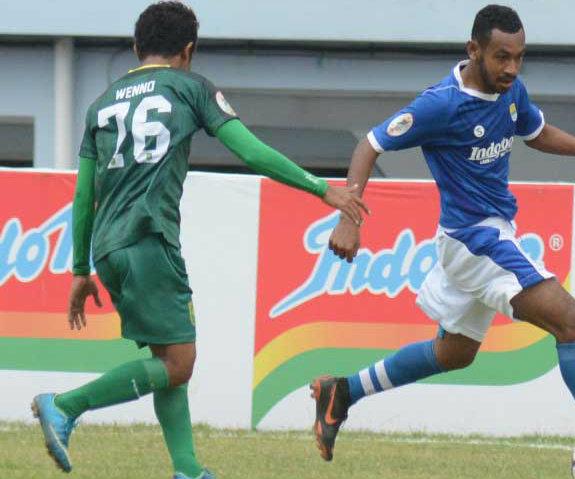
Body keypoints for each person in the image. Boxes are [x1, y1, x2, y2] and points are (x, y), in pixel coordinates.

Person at [312, 4, 575, 473]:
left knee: (454, 353)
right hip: (475, 239)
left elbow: (536, 131)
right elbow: (371, 144)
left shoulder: (510, 90)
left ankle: (342, 390)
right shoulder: (440, 104)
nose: (511, 68)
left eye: (519, 57)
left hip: (474, 238)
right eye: (502, 57)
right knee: (572, 322)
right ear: (474, 50)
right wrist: (350, 216)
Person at [30, 2, 368, 478]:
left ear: (135, 48)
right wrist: (321, 188)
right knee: (179, 363)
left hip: (108, 248)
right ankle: (65, 405)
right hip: (150, 240)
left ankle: (188, 469)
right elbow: (248, 149)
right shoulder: (190, 89)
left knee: (170, 355)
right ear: (188, 51)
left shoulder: (101, 103)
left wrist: (80, 270)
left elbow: (84, 194)